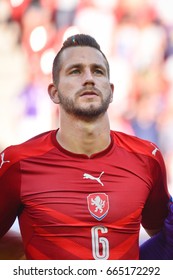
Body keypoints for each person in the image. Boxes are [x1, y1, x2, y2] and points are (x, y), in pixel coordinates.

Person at [0, 34, 172, 260]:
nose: (89, 78)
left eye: (98, 71)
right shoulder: (18, 162)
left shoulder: (147, 158)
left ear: (110, 91)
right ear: (54, 92)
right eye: (75, 71)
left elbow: (167, 242)